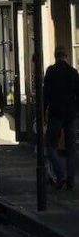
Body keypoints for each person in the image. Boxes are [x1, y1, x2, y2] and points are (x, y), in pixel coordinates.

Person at [44, 45, 79, 190]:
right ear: (66, 56)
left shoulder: (51, 71)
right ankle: (70, 179)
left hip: (56, 113)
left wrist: (43, 110)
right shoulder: (73, 72)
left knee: (50, 145)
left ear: (55, 56)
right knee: (71, 148)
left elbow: (45, 93)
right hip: (71, 114)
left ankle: (60, 173)